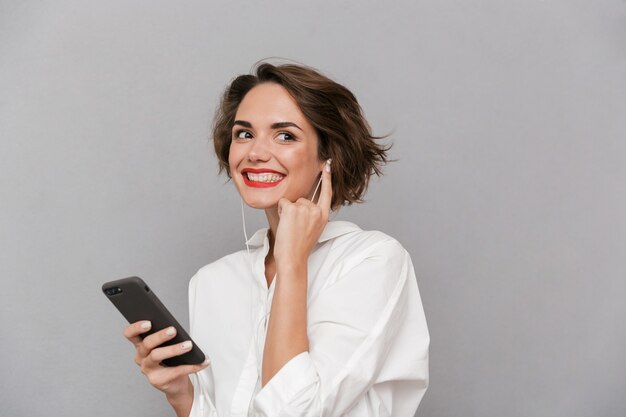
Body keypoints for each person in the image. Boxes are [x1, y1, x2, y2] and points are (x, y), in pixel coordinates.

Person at [123, 62, 429, 417]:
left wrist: (292, 263)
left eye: (285, 135)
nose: (255, 152)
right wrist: (182, 396)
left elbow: (294, 412)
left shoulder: (372, 261)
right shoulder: (212, 282)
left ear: (327, 157)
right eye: (244, 134)